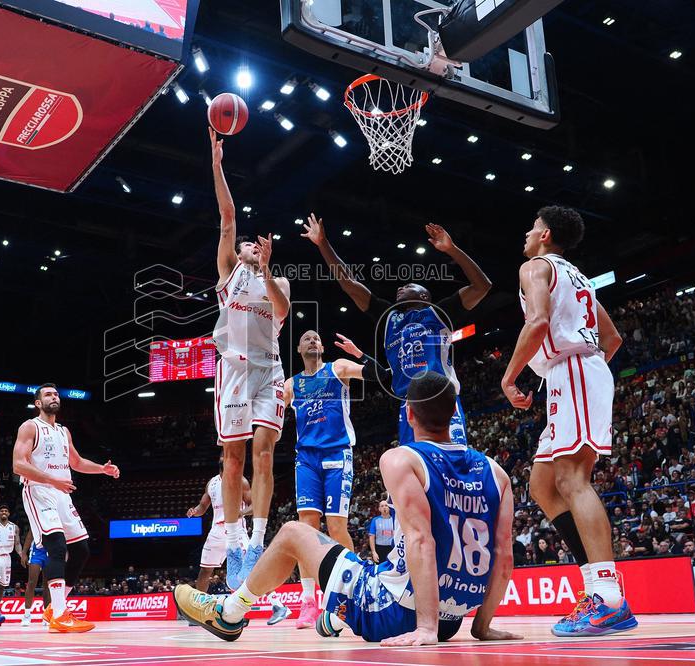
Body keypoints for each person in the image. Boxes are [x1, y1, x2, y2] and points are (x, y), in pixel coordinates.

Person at [174, 372, 521, 646]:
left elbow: (421, 540)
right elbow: (504, 554)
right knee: (374, 565)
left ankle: (230, 613)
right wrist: (482, 625)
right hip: (453, 616)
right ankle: (335, 614)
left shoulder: (403, 459)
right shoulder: (497, 472)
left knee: (294, 532)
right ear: (454, 411)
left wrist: (426, 628)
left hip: (401, 612)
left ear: (409, 413)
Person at [501, 207, 637, 637]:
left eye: (530, 226)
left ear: (544, 234)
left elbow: (539, 321)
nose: (525, 232)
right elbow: (612, 339)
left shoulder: (535, 266)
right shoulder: (576, 275)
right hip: (577, 372)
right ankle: (594, 584)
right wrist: (589, 372)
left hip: (573, 371)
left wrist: (509, 377)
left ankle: (609, 598)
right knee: (542, 486)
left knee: (574, 479)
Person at [301, 214, 491, 448]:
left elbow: (483, 286)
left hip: (439, 396)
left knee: (450, 464)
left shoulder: (438, 313)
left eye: (409, 285)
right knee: (414, 475)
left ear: (424, 295)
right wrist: (323, 244)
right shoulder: (389, 316)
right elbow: (349, 284)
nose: (401, 287)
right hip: (408, 404)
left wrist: (452, 249)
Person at [209, 128, 291, 590]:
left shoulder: (273, 280)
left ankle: (258, 540)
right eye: (247, 245)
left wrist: (269, 269)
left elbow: (282, 310)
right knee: (233, 459)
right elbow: (227, 215)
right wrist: (218, 165)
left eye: (256, 246)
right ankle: (235, 541)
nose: (251, 247)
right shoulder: (228, 274)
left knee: (264, 455)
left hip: (269, 369)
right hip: (234, 370)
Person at [282, 330, 373, 629]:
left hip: (336, 454)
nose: (312, 341)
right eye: (306, 338)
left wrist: (359, 354)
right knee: (306, 530)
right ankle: (309, 601)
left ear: (322, 348)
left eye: (316, 339)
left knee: (336, 527)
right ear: (298, 349)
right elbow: (271, 412)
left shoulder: (338, 368)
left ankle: (353, 591)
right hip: (306, 459)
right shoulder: (292, 385)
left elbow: (380, 375)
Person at [14, 383, 121, 632]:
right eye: (48, 394)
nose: (54, 397)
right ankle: (61, 614)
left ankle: (54, 608)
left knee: (82, 549)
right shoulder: (30, 426)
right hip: (39, 491)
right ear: (38, 403)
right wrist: (52, 480)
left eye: (56, 394)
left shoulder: (63, 431)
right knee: (57, 547)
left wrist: (101, 469)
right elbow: (18, 465)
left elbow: (76, 461)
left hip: (62, 493)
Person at [186, 461, 252, 593]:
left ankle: (276, 604)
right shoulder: (212, 483)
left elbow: (254, 506)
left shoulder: (241, 481)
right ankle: (199, 604)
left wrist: (241, 513)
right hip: (217, 531)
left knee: (251, 566)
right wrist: (195, 511)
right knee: (205, 570)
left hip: (236, 529)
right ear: (222, 471)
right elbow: (203, 507)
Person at [18, 530, 50, 626]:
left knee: (47, 585)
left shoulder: (54, 519)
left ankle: (46, 616)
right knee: (31, 583)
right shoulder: (36, 518)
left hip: (50, 552)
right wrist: (24, 553)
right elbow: (30, 536)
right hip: (37, 552)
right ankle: (27, 615)